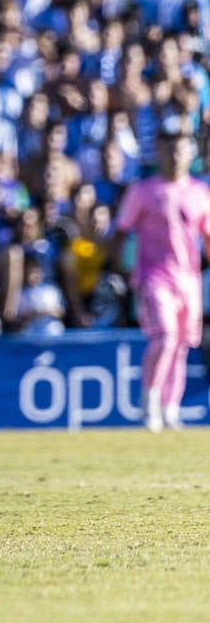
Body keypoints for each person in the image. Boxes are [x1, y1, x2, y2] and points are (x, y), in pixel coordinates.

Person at [109, 115, 210, 432]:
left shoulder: (198, 193)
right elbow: (121, 231)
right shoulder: (143, 191)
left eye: (180, 150)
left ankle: (170, 409)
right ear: (159, 153)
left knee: (180, 346)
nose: (175, 156)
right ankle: (149, 402)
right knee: (164, 338)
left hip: (188, 281)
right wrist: (121, 270)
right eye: (168, 150)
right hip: (154, 276)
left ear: (189, 154)